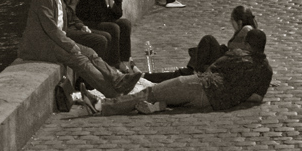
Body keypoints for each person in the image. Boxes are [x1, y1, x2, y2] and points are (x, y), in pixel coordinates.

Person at [17, 0, 143, 99]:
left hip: (54, 41)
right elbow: (51, 29)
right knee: (80, 59)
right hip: (41, 45)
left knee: (90, 52)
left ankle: (117, 79)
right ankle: (113, 94)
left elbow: (65, 21)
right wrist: (71, 45)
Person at [93, 29, 272, 115]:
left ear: (247, 44)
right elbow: (255, 98)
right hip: (216, 103)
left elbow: (212, 70)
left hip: (203, 86)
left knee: (150, 92)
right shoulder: (266, 70)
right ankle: (157, 106)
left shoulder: (238, 56)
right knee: (168, 96)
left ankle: (103, 106)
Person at [145, 5, 259, 83]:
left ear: (239, 22)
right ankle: (194, 67)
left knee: (208, 40)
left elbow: (236, 49)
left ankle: (196, 70)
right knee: (199, 51)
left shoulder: (246, 30)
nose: (231, 24)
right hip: (230, 60)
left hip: (230, 63)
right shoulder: (249, 29)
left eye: (232, 21)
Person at [75, 0, 136, 72]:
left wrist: (111, 2)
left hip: (103, 19)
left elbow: (118, 14)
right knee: (113, 27)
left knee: (125, 24)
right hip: (88, 22)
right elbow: (95, 16)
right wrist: (107, 5)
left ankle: (125, 60)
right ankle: (114, 64)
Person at [60, 0, 117, 68]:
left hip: (75, 26)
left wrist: (81, 26)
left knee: (108, 35)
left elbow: (74, 16)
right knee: (101, 40)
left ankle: (111, 68)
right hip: (66, 30)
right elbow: (68, 16)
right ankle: (99, 75)